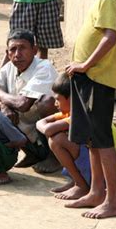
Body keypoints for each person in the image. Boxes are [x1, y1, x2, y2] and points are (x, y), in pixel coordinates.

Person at [65, 0, 116, 219]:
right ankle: (96, 191)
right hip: (90, 78)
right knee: (92, 138)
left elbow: (109, 38)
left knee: (102, 140)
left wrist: (85, 64)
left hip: (97, 78)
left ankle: (113, 200)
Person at [0, 29, 61, 173]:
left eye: (23, 48)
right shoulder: (10, 67)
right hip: (28, 126)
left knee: (46, 102)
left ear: (35, 50)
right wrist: (2, 104)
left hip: (51, 127)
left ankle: (56, 156)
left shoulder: (44, 67)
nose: (17, 54)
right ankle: (33, 154)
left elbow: (23, 104)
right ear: (7, 53)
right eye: (13, 49)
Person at [36, 72, 91, 200]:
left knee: (56, 140)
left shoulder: (79, 115)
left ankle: (81, 185)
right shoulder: (69, 112)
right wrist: (45, 127)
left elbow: (47, 128)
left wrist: (46, 128)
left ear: (71, 99)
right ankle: (77, 181)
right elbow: (40, 122)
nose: (55, 103)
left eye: (57, 99)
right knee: (56, 138)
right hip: (88, 160)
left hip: (98, 167)